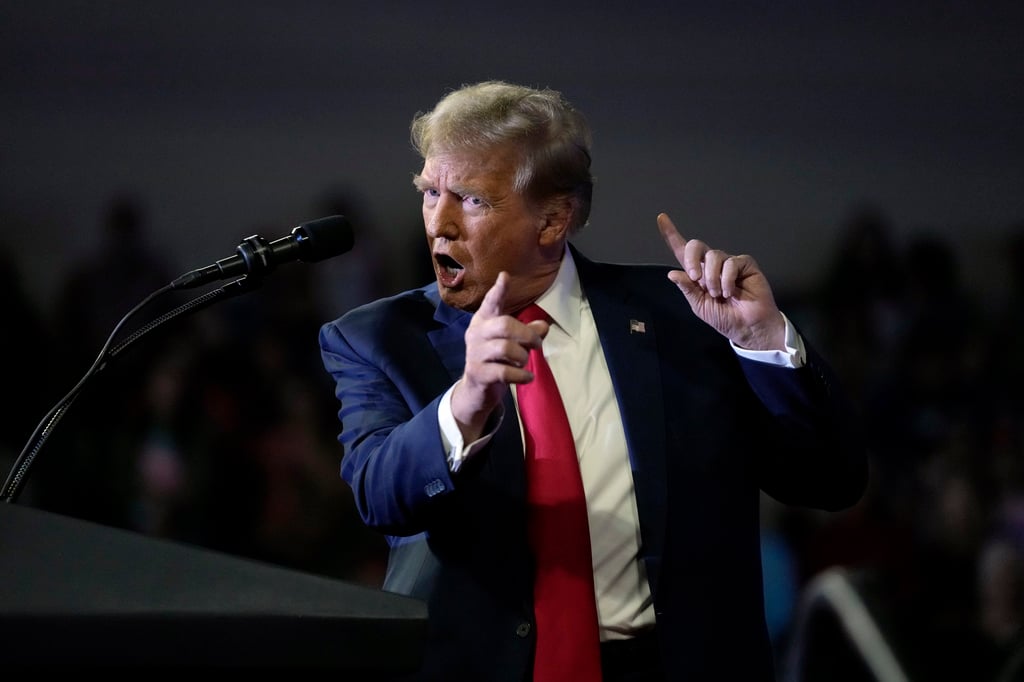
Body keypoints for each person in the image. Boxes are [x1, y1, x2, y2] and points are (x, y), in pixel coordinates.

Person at [318, 80, 868, 682]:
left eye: (471, 200)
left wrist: (764, 345)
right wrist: (466, 401)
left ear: (552, 220)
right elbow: (379, 496)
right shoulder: (375, 338)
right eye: (430, 192)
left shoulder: (685, 318)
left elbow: (830, 479)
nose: (439, 223)